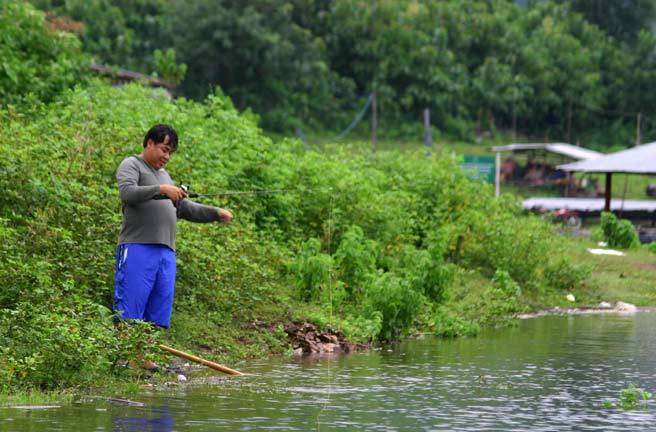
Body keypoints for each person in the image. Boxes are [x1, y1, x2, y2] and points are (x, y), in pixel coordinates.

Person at [113, 124, 232, 368]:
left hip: (165, 251)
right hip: (137, 247)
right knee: (131, 304)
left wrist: (215, 213)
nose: (166, 156)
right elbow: (127, 193)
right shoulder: (132, 165)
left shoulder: (165, 175)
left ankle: (142, 357)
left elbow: (183, 209)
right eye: (164, 149)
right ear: (149, 143)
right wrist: (161, 189)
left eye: (170, 152)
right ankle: (125, 358)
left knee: (156, 308)